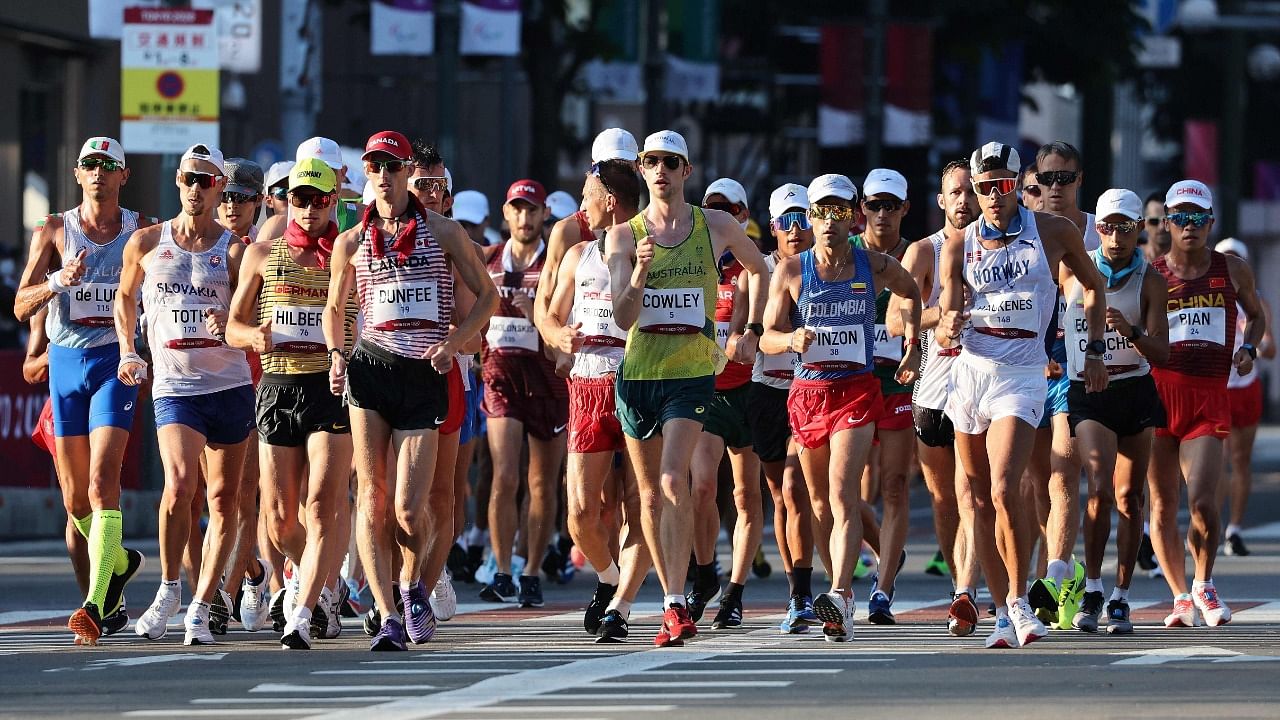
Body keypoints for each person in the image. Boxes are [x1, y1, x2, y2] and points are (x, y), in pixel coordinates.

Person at [323, 130, 497, 650]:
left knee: (408, 507)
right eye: (373, 167)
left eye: (391, 167)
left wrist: (456, 341)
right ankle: (385, 612)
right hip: (372, 367)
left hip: (426, 370)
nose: (381, 176)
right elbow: (335, 309)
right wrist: (337, 354)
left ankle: (412, 586)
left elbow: (487, 297)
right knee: (370, 499)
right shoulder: (351, 240)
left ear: (406, 175)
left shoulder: (442, 231)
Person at [936, 141, 1108, 649]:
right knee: (976, 499)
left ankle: (1018, 598)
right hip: (970, 372)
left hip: (1023, 370)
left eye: (1001, 186)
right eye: (982, 188)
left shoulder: (1053, 231)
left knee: (1008, 487)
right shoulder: (958, 244)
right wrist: (946, 323)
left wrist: (1093, 350)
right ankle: (1002, 613)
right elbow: (948, 310)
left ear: (1018, 184)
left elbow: (1094, 286)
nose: (991, 196)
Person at [605, 130, 768, 647]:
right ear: (641, 169)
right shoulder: (624, 237)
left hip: (692, 372)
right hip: (638, 376)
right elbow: (623, 315)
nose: (660, 171)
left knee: (675, 480)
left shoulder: (714, 224)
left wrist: (752, 331)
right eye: (651, 162)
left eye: (670, 163)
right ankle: (673, 593)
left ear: (686, 171)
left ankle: (674, 602)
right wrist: (638, 275)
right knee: (650, 494)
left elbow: (760, 268)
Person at [759, 172, 921, 642]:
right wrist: (790, 337)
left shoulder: (875, 265)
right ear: (810, 218)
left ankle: (840, 594)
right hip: (808, 393)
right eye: (820, 213)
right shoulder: (792, 271)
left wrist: (913, 344)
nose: (829, 222)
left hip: (855, 390)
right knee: (817, 504)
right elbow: (765, 335)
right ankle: (838, 589)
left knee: (842, 494)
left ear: (852, 217)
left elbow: (912, 292)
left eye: (838, 212)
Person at [115, 144, 255, 646]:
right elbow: (124, 297)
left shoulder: (236, 252)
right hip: (175, 385)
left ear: (220, 188)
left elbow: (254, 315)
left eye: (206, 181)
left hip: (230, 385)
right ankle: (169, 588)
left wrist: (233, 324)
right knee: (178, 486)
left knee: (222, 499)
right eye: (189, 179)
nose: (196, 189)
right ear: (177, 181)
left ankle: (202, 603)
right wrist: (128, 351)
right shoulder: (147, 242)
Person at [12, 137, 149, 645]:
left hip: (116, 363)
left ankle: (95, 604)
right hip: (66, 364)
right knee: (75, 502)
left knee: (100, 483)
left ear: (122, 176)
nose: (97, 174)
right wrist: (56, 281)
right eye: (89, 166)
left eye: (107, 167)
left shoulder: (140, 230)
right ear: (76, 174)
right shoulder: (53, 229)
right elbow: (21, 306)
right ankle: (120, 560)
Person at [226, 159, 359, 649]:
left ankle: (300, 614)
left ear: (333, 202)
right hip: (278, 388)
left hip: (332, 389)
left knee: (323, 504)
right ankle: (324, 582)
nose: (307, 208)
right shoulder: (261, 254)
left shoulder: (351, 253)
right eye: (298, 198)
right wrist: (252, 336)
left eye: (319, 199)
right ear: (285, 200)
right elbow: (232, 326)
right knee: (281, 521)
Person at [541, 158, 651, 642]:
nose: (580, 204)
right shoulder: (577, 254)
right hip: (586, 385)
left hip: (639, 380)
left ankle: (622, 606)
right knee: (580, 514)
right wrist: (558, 334)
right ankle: (608, 579)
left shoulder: (653, 249)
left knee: (640, 502)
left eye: (586, 194)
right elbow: (546, 315)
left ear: (610, 201)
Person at [1149, 180, 1264, 628]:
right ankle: (1179, 595)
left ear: (1210, 223)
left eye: (1197, 218)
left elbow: (1255, 317)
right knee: (1160, 505)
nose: (1188, 226)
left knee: (1201, 502)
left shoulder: (1233, 270)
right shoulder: (1153, 274)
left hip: (1209, 396)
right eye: (1179, 218)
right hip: (1160, 394)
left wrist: (1249, 350)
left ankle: (1204, 581)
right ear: (1169, 225)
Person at [1064, 189, 1170, 635]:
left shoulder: (1151, 280)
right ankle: (1091, 586)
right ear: (1098, 228)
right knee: (1097, 487)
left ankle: (1121, 596)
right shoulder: (1075, 267)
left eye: (1127, 227)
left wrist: (1133, 332)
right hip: (1089, 390)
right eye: (1108, 226)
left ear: (1138, 230)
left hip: (1134, 389)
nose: (1116, 236)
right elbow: (1048, 313)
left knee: (1129, 498)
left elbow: (1162, 351)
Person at [892, 160, 983, 636]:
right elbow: (892, 320)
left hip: (984, 385)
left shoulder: (998, 247)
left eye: (971, 190)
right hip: (933, 389)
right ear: (942, 200)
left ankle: (968, 590)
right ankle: (958, 586)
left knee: (973, 493)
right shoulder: (924, 253)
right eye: (955, 192)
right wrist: (937, 320)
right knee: (945, 500)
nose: (964, 199)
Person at [476, 179, 570, 608]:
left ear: (543, 214)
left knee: (542, 481)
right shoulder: (489, 259)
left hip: (547, 380)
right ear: (506, 214)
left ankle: (531, 569)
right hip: (500, 377)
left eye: (532, 210)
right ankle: (501, 569)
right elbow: (469, 307)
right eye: (518, 209)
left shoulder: (558, 259)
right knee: (505, 474)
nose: (525, 218)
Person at [1025, 141, 1100, 630]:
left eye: (1064, 179)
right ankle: (1059, 572)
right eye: (1045, 180)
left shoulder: (1098, 229)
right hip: (1026, 367)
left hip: (1077, 367)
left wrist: (1094, 352)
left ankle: (1056, 574)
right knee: (1036, 482)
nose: (1054, 188)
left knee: (1062, 471)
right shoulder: (1023, 231)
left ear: (1078, 181)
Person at [686, 177, 764, 629]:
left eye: (729, 210)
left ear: (743, 216)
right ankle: (704, 573)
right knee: (701, 487)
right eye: (711, 208)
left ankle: (734, 591)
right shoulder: (692, 261)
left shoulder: (753, 264)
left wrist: (748, 332)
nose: (719, 217)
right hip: (707, 390)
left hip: (749, 389)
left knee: (745, 495)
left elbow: (759, 302)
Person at [751, 183, 820, 633]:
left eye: (803, 219)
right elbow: (752, 331)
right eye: (786, 221)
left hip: (811, 390)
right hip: (766, 389)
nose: (795, 229)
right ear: (773, 227)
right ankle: (796, 587)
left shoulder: (827, 268)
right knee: (780, 496)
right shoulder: (759, 270)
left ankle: (803, 593)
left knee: (797, 488)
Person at [851, 168, 917, 625]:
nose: (881, 213)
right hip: (849, 380)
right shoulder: (844, 252)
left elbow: (932, 306)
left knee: (893, 485)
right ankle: (887, 551)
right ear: (862, 209)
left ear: (905, 209)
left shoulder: (917, 254)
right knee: (842, 489)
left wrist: (915, 339)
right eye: (874, 205)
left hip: (897, 381)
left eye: (890, 205)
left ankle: (883, 589)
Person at [1214, 238, 1275, 557]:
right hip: (1219, 389)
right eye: (1225, 258)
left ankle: (1234, 530)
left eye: (1237, 258)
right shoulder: (1210, 294)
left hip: (1246, 388)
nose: (1231, 264)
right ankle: (1210, 525)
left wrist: (1257, 344)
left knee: (1240, 460)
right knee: (1217, 462)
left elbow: (1271, 348)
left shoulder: (1256, 301)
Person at [409, 141, 453, 216]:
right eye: (424, 183)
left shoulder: (455, 228)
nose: (434, 194)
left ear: (447, 204)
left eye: (440, 184)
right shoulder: (386, 226)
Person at [1142, 192, 1172, 261]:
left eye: (1166, 221)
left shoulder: (1187, 259)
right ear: (1144, 224)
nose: (1161, 227)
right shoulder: (1130, 256)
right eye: (1154, 221)